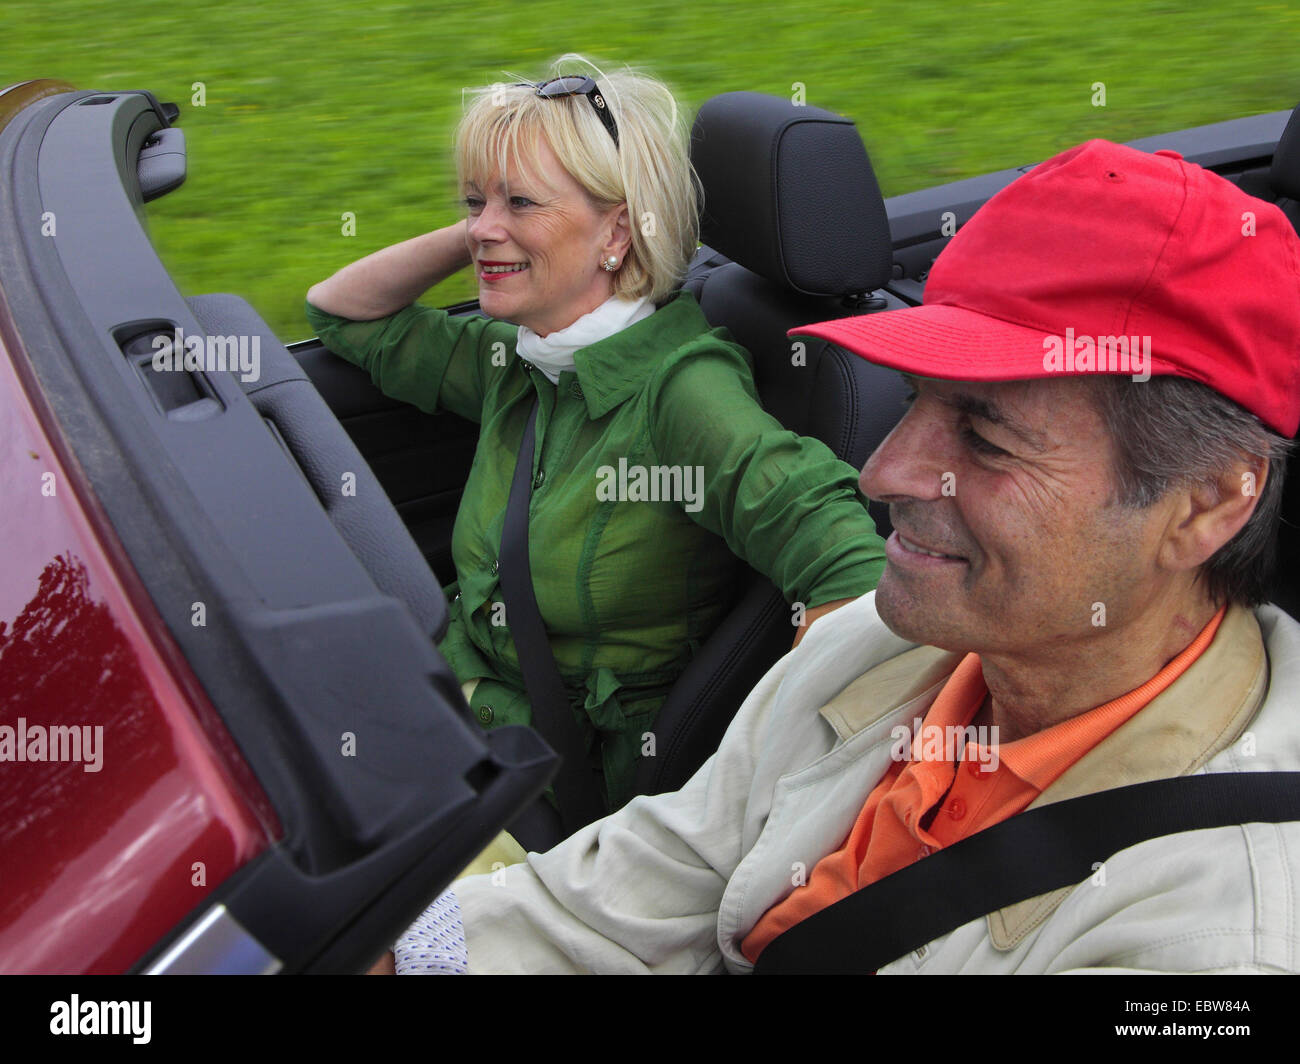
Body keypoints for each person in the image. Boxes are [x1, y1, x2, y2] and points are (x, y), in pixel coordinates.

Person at [390, 138, 1300, 974]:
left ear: (1210, 500)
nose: (884, 473)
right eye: (915, 402)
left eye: (985, 439)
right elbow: (644, 883)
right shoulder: (883, 641)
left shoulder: (1218, 944)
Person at [305, 58, 886, 817]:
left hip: (549, 786)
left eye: (521, 201)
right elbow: (343, 316)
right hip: (453, 704)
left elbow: (845, 560)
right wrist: (496, 234)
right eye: (473, 201)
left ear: (617, 230)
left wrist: (783, 772)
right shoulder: (521, 355)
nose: (482, 225)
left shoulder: (682, 390)